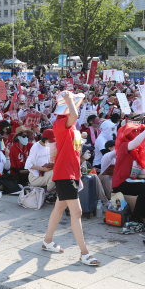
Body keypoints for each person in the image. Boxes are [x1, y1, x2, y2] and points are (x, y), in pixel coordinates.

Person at [42, 91, 100, 266]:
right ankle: (84, 253)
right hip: (64, 173)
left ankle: (47, 241)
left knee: (59, 209)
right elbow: (74, 114)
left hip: (71, 172)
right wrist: (69, 98)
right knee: (77, 212)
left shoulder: (71, 127)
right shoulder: (60, 123)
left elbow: (73, 147)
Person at [112, 119, 145, 232]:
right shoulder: (124, 146)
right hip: (121, 184)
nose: (138, 134)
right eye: (136, 132)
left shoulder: (136, 151)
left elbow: (138, 169)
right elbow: (135, 142)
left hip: (132, 180)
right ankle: (136, 218)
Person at [25, 128, 56, 195]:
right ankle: (47, 195)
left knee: (59, 170)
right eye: (50, 141)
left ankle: (53, 192)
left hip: (44, 173)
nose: (52, 143)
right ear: (45, 139)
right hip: (35, 177)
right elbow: (28, 165)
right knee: (54, 173)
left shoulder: (48, 146)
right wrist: (43, 169)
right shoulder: (36, 147)